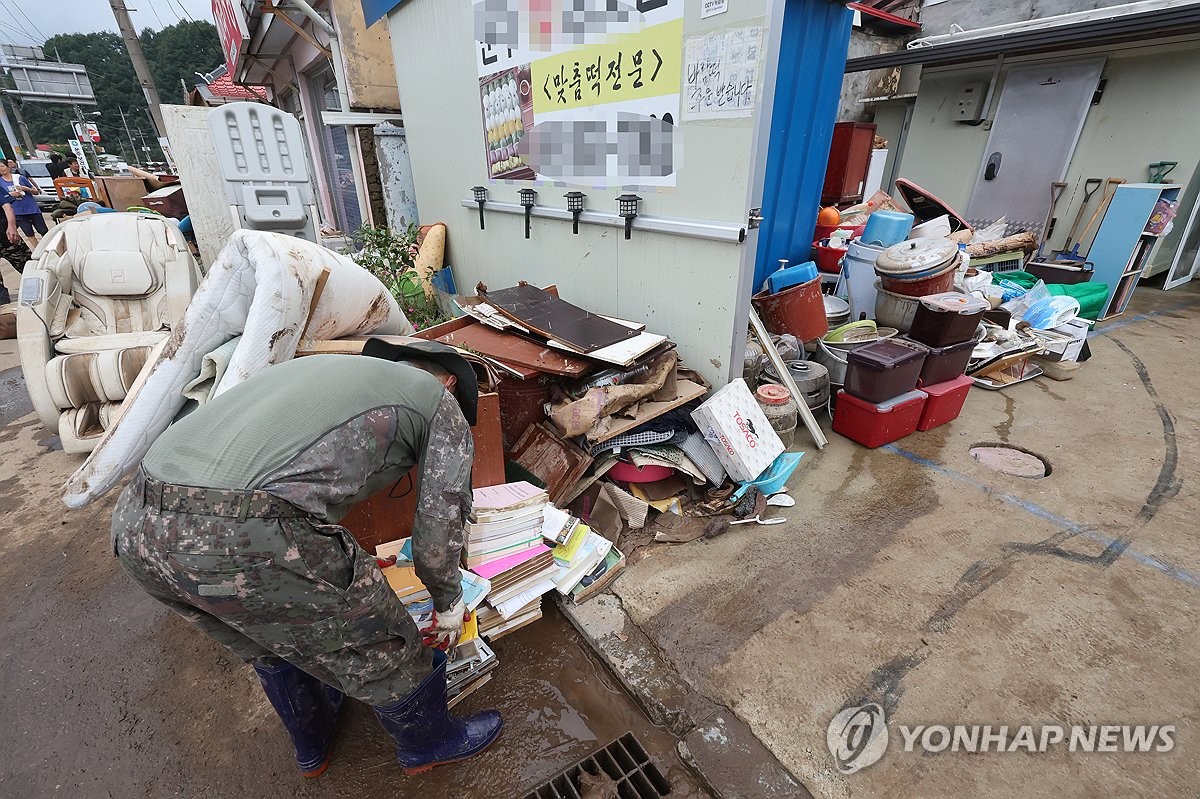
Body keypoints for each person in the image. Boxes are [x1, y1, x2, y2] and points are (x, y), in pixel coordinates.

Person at [110, 342, 503, 778]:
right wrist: (447, 601)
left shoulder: (329, 372)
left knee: (263, 637)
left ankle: (313, 747)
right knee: (381, 636)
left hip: (135, 522)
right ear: (448, 382)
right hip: (239, 532)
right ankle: (430, 744)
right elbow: (438, 528)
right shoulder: (436, 403)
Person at [0, 160, 47, 244]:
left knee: (43, 231)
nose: (0, 169)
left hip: (32, 209)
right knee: (29, 234)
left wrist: (26, 189)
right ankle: (39, 253)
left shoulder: (19, 177)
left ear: (8, 166)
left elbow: (35, 191)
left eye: (2, 166)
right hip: (17, 212)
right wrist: (11, 195)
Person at [0, 181, 31, 305]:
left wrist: (11, 226)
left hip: (6, 237)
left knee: (29, 268)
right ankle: (5, 315)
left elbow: (7, 206)